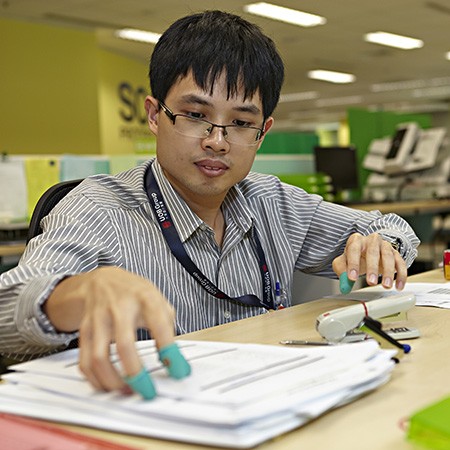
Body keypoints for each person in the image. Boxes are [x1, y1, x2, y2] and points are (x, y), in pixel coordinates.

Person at [0, 10, 419, 398]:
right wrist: (75, 293)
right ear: (154, 114)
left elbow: (396, 228)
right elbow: (9, 307)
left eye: (240, 123)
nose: (216, 141)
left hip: (266, 401)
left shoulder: (271, 201)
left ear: (262, 131)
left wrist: (381, 245)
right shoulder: (98, 208)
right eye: (195, 115)